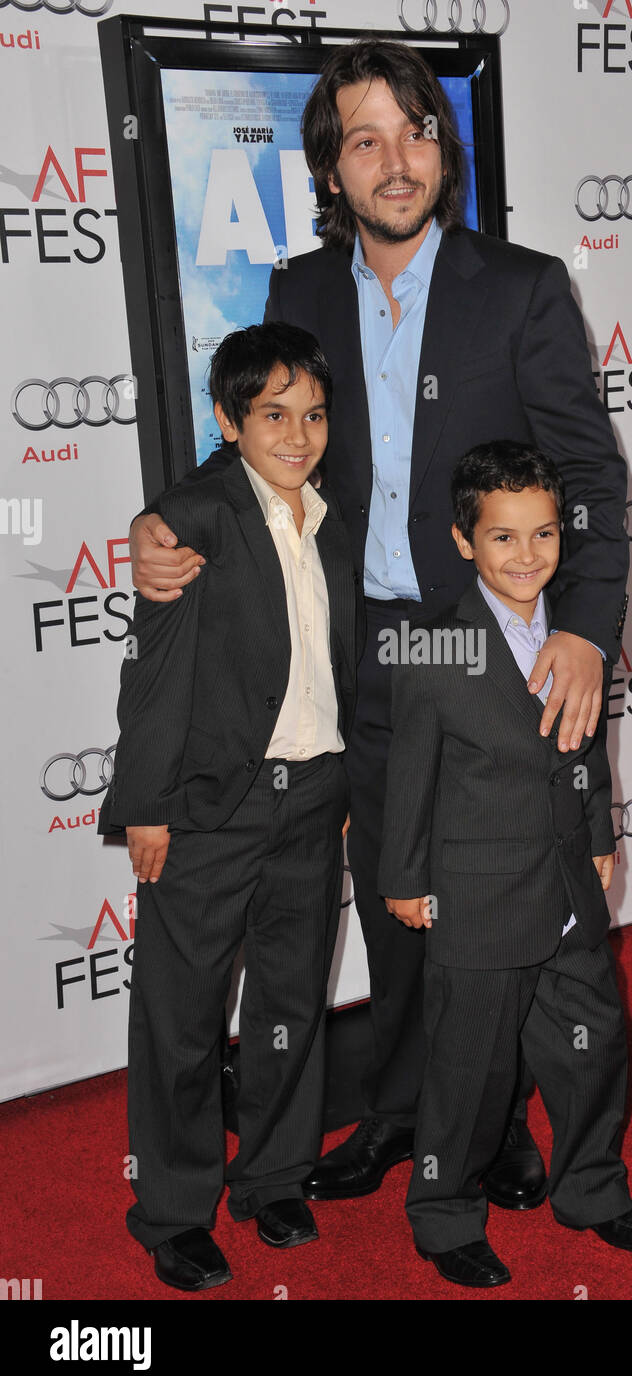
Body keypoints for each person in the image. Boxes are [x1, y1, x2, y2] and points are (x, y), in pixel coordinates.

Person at [128, 39, 630, 1211]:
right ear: (333, 168)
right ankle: (409, 1113)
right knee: (398, 898)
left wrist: (589, 633)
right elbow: (261, 450)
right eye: (366, 139)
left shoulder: (522, 286)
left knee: (502, 892)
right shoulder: (298, 292)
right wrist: (167, 523)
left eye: (415, 132)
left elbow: (594, 479)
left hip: (481, 650)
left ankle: (498, 1121)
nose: (395, 160)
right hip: (358, 652)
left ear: (441, 150)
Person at [99, 323, 360, 1291]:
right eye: (272, 415)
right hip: (211, 807)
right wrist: (148, 808)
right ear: (227, 419)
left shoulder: (340, 512)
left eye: (313, 414)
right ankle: (172, 1210)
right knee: (182, 1017)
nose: (296, 435)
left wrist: (342, 784)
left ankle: (276, 1176)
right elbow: (155, 676)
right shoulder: (192, 518)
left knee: (292, 1001)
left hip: (314, 792)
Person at [379, 442, 632, 1289]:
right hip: (476, 895)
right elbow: (409, 774)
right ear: (466, 542)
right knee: (471, 1071)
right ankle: (441, 1215)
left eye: (543, 534)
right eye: (504, 538)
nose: (527, 556)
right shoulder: (433, 646)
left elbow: (584, 746)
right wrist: (402, 878)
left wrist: (600, 829)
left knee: (593, 1045)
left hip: (568, 883)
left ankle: (592, 1191)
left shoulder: (577, 632)